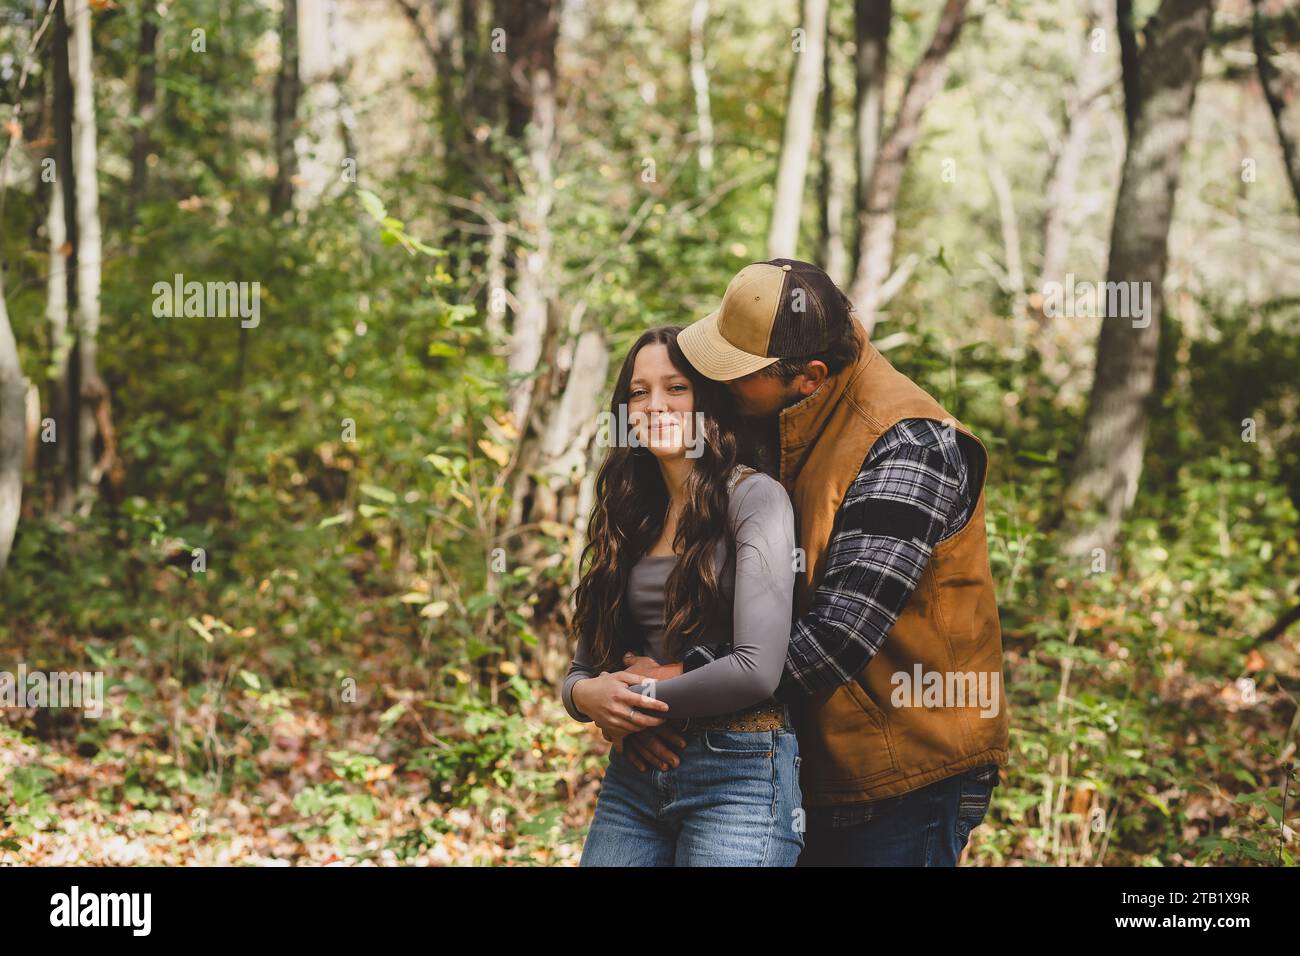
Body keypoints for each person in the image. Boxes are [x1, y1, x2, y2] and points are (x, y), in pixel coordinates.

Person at [618, 258, 1010, 866]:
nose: (716, 384)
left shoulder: (909, 444)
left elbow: (836, 638)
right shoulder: (781, 421)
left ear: (809, 376)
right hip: (799, 758)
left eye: (735, 373)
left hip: (903, 773)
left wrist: (662, 691)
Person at [561, 326, 804, 866]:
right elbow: (582, 673)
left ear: (706, 398)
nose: (656, 405)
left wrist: (637, 701)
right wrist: (589, 702)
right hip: (637, 773)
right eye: (639, 392)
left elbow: (758, 669)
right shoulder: (627, 515)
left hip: (738, 774)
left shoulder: (754, 497)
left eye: (676, 387)